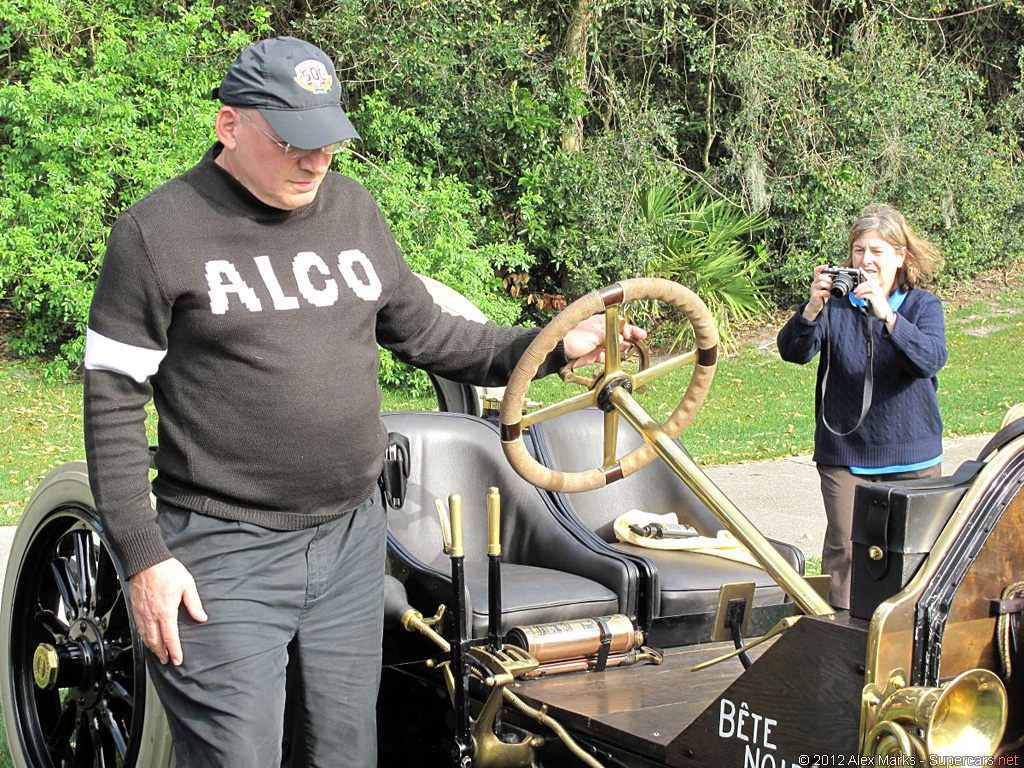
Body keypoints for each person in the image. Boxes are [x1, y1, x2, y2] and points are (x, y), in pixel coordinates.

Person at [83, 36, 642, 767]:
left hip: (351, 540)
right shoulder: (156, 235)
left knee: (345, 754)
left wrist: (550, 344)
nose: (315, 162)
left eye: (328, 143)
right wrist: (144, 559)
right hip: (226, 551)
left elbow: (430, 332)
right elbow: (112, 406)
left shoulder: (350, 211)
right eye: (293, 142)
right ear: (229, 125)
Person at [776, 203, 947, 610]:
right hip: (846, 453)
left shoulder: (922, 306)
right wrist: (812, 308)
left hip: (912, 453)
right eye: (858, 250)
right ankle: (839, 638)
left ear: (901, 256)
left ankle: (905, 636)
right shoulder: (835, 304)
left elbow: (930, 359)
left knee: (915, 557)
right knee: (845, 553)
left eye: (877, 251)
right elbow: (794, 352)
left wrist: (887, 316)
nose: (865, 260)